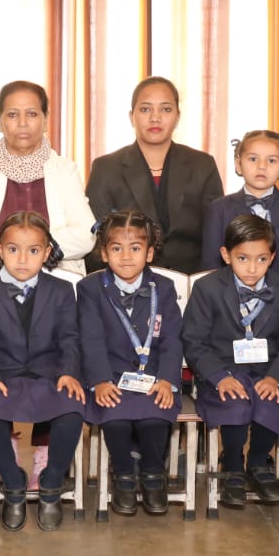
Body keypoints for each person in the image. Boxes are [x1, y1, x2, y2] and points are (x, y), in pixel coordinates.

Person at [0, 212, 85, 532]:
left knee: (72, 408)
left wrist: (68, 372)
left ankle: (51, 483)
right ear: (0, 250)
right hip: (3, 376)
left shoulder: (62, 290)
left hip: (49, 375)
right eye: (13, 249)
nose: (22, 259)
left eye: (33, 250)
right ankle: (13, 483)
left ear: (46, 253)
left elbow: (70, 337)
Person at [183, 214, 279, 508]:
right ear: (226, 255)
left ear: (272, 257)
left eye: (261, 259)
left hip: (269, 371)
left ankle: (259, 461)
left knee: (269, 400)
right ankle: (232, 464)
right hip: (223, 371)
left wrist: (275, 377)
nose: (252, 268)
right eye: (242, 258)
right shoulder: (207, 288)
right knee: (235, 401)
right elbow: (193, 341)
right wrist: (219, 377)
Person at [78, 211, 184, 516]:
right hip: (110, 376)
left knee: (155, 417)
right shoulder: (90, 288)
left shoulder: (163, 287)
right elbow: (91, 340)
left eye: (135, 248)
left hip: (155, 377)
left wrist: (167, 380)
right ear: (103, 253)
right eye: (116, 248)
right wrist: (100, 380)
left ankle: (153, 474)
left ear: (149, 253)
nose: (126, 257)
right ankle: (123, 474)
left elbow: (173, 339)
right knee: (116, 418)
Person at [0, 81, 95, 275]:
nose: (22, 123)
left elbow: (87, 236)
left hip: (59, 279)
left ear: (45, 120)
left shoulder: (65, 170)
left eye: (32, 114)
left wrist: (9, 243)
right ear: (0, 122)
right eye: (12, 115)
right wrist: (42, 244)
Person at [85, 76, 223, 274]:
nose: (155, 118)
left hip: (192, 281)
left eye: (166, 109)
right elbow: (96, 241)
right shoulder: (106, 168)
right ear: (131, 116)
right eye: (145, 109)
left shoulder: (202, 165)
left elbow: (215, 236)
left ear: (178, 116)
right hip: (127, 280)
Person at [202, 130, 279, 281]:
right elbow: (211, 266)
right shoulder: (219, 209)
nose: (262, 166)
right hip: (229, 294)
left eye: (271, 161)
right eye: (253, 159)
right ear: (238, 164)